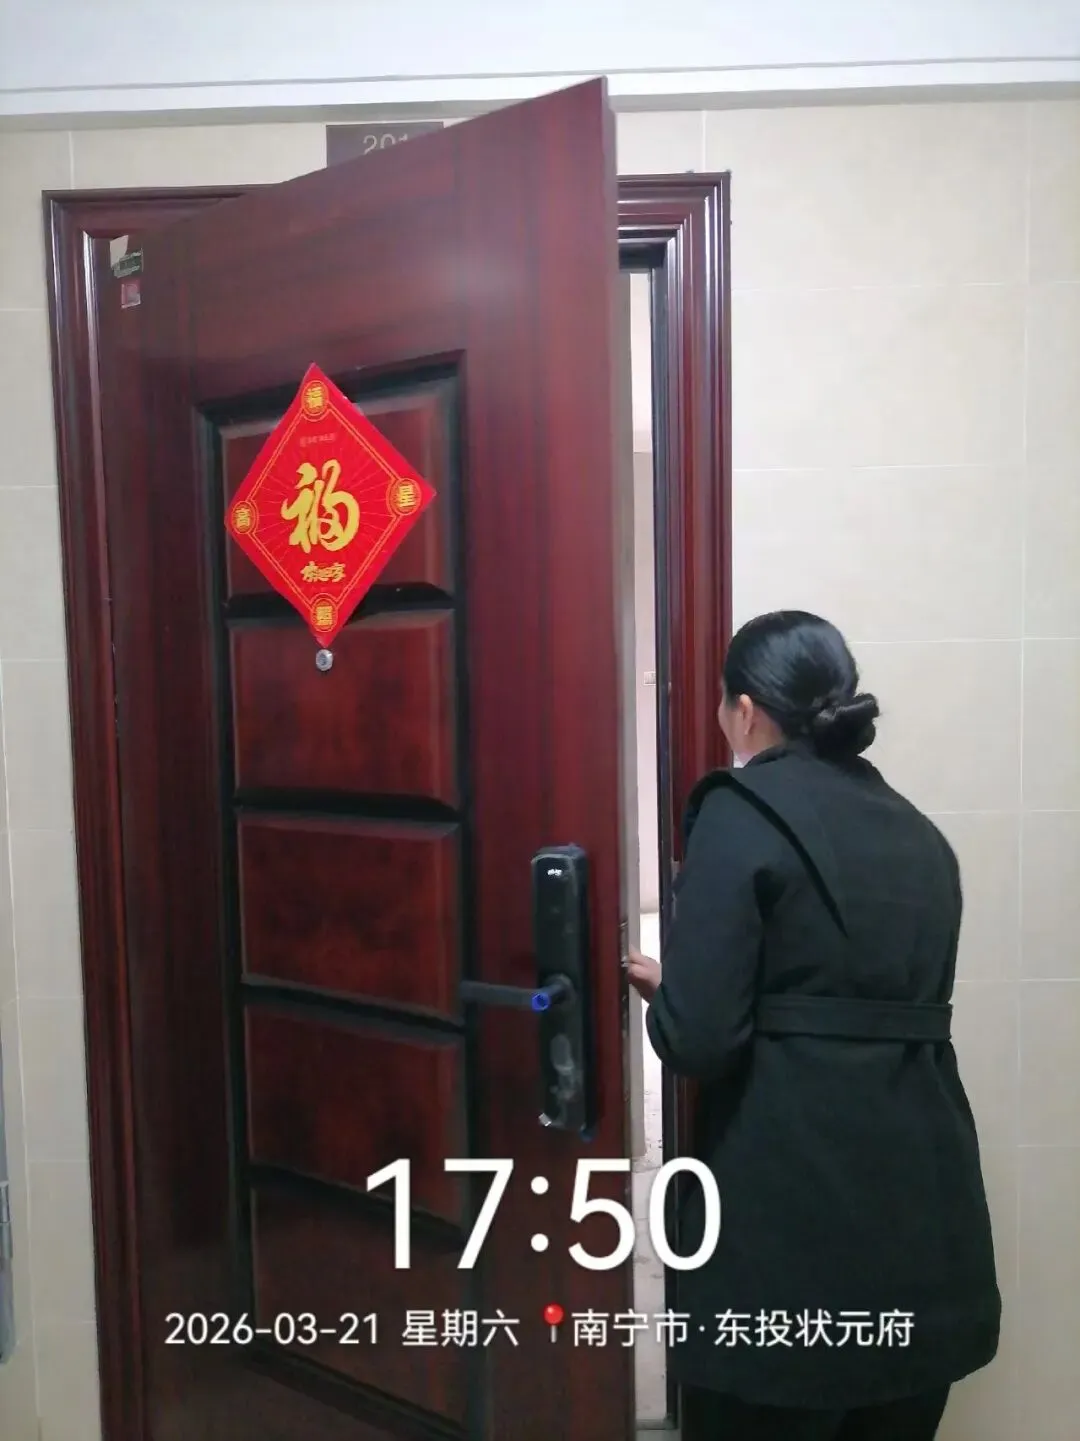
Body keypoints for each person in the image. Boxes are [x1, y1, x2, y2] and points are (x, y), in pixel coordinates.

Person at [626, 610, 1000, 1441]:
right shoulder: (920, 834)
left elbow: (700, 1039)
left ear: (745, 710)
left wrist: (672, 997)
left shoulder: (740, 810)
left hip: (789, 1230)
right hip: (925, 1221)